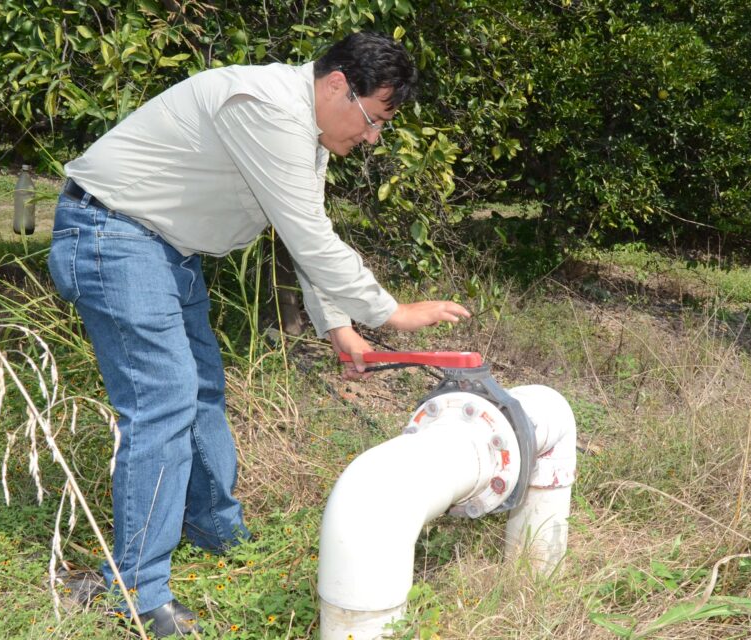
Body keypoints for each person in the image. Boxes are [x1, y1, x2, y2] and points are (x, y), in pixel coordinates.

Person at [46, 31, 470, 637]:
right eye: (373, 120)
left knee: (201, 394)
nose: (372, 137)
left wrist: (340, 329)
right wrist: (390, 312)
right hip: (112, 235)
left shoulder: (306, 131)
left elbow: (305, 231)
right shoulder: (267, 108)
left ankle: (213, 529)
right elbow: (311, 236)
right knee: (162, 402)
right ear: (335, 87)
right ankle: (136, 591)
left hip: (163, 247)